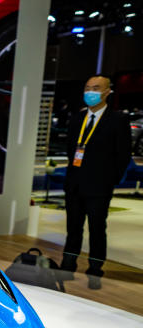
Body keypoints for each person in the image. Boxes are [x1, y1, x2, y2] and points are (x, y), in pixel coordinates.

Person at [61, 75, 132, 289]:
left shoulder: (117, 120)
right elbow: (70, 150)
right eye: (88, 87)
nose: (90, 91)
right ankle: (67, 265)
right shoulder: (77, 119)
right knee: (73, 227)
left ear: (107, 91)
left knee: (97, 228)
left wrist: (110, 180)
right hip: (75, 183)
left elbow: (123, 155)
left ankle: (95, 270)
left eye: (96, 88)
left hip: (100, 186)